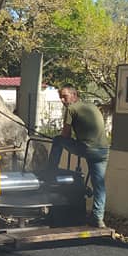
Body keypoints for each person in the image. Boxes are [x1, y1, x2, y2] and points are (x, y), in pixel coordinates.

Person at [47, 85, 110, 227]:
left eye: (65, 96)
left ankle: (50, 171)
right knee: (99, 185)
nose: (63, 100)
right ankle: (98, 218)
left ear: (74, 95)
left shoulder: (71, 109)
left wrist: (68, 140)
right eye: (61, 97)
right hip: (103, 150)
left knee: (58, 140)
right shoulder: (92, 107)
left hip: (87, 149)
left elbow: (66, 135)